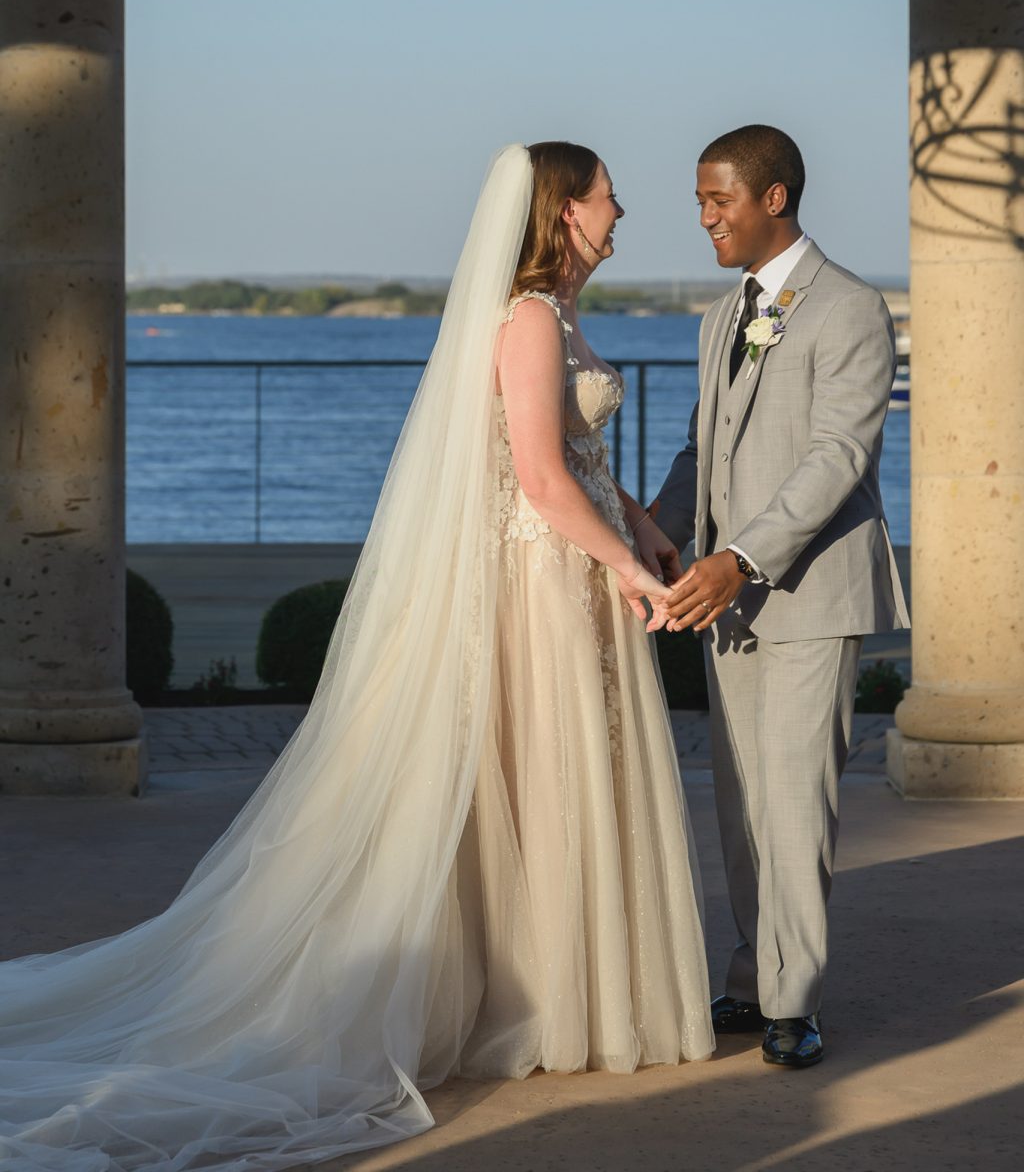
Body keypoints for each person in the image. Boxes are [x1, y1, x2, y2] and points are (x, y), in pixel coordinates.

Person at [0, 142, 713, 1172]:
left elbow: (585, 466)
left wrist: (643, 527)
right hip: (536, 589)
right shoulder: (521, 319)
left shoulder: (557, 315)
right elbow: (543, 483)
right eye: (608, 198)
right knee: (537, 780)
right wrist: (638, 575)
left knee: (561, 783)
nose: (621, 213)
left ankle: (568, 997)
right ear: (563, 212)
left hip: (576, 576)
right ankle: (536, 1005)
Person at [651, 124, 909, 1069]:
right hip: (726, 598)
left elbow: (839, 456)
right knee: (743, 801)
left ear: (774, 198)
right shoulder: (723, 316)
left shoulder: (849, 307)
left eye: (717, 200)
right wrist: (657, 526)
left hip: (806, 591)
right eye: (698, 202)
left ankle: (793, 1004)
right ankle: (754, 976)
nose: (705, 218)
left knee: (796, 802)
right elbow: (700, 448)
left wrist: (743, 559)